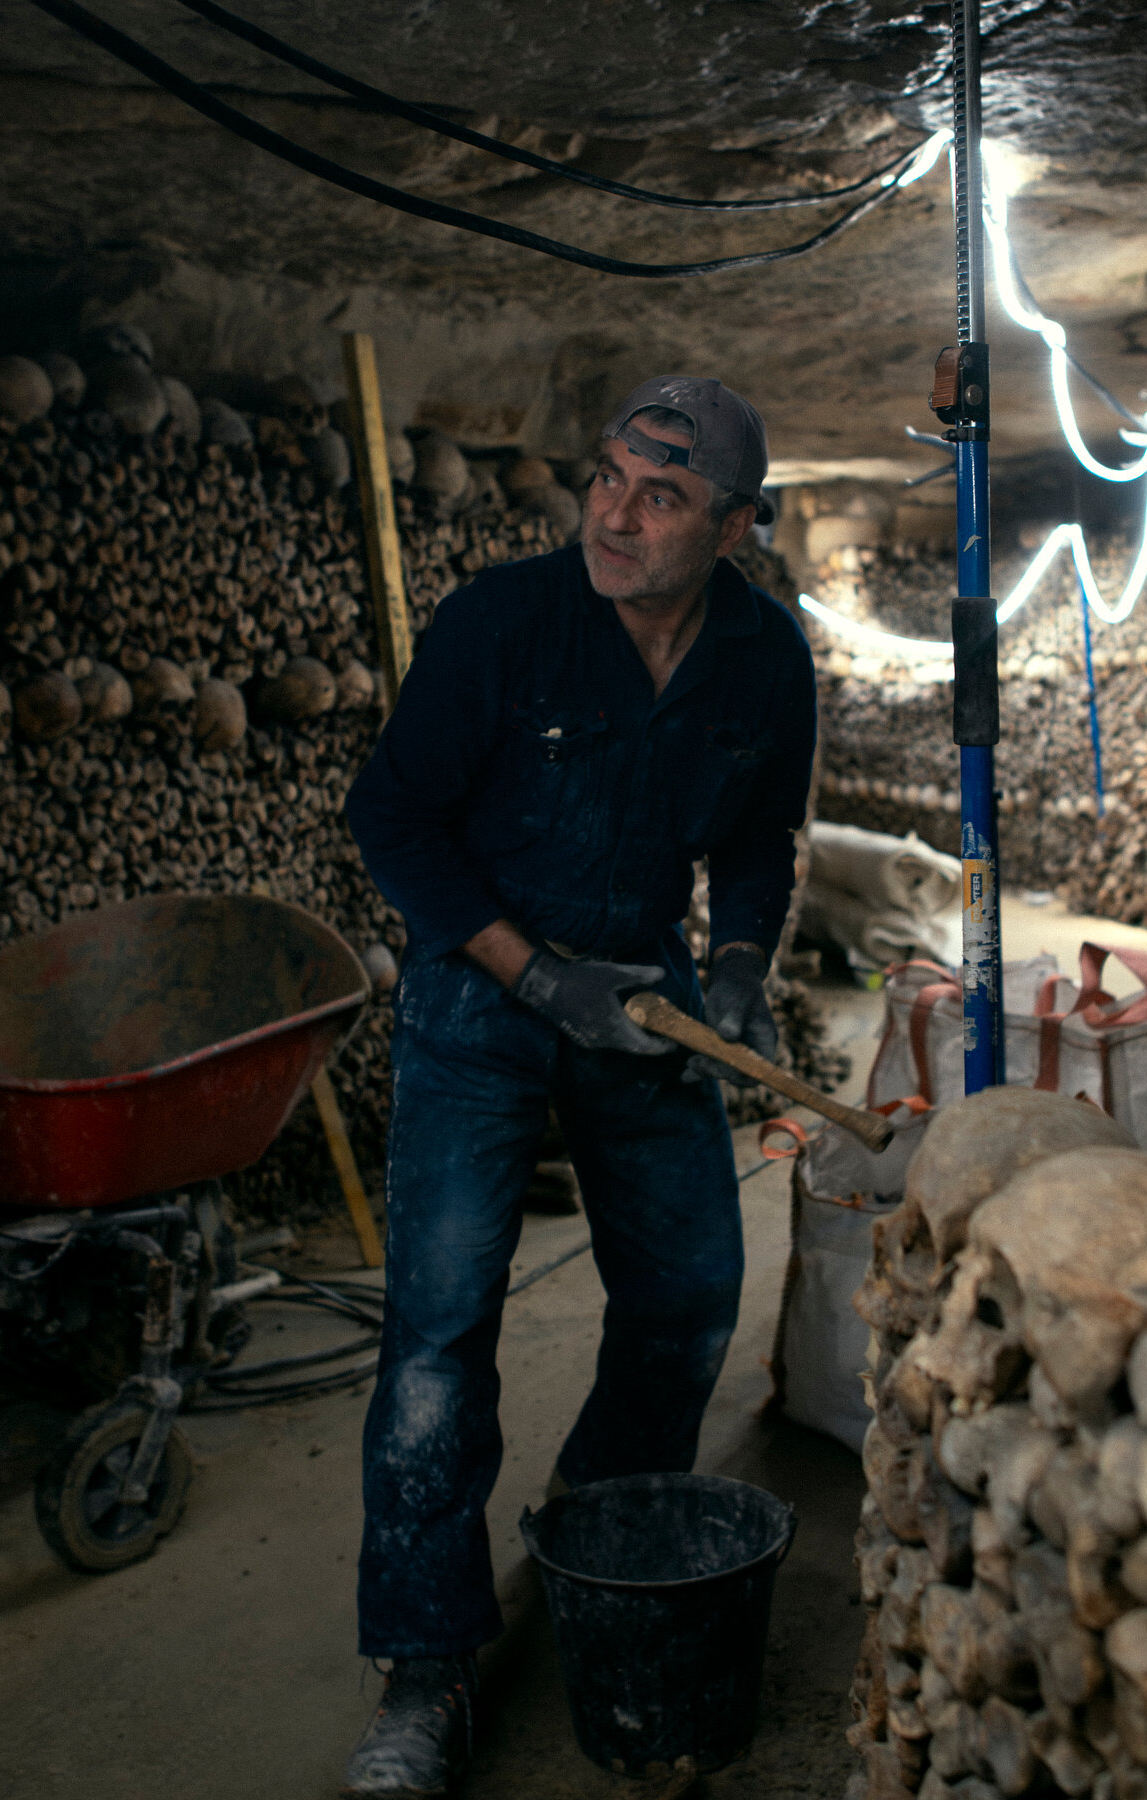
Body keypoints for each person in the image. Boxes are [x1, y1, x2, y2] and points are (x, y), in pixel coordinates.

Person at [339, 376, 816, 1797]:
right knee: (440, 1336)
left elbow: (760, 838)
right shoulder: (502, 622)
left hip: (644, 989)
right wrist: (535, 977)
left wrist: (739, 965)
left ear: (733, 528)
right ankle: (425, 1667)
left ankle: (595, 1526)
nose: (613, 513)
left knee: (689, 1294)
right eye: (606, 477)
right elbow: (392, 816)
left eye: (660, 496)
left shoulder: (765, 659)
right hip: (480, 992)